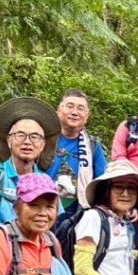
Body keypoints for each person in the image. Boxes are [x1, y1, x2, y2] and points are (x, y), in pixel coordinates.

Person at [0, 97, 61, 229]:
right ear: (9, 140)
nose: (27, 141)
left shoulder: (46, 183)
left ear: (42, 145)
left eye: (34, 136)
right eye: (20, 135)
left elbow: (55, 223)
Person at [45, 89, 107, 221]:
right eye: (70, 106)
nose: (74, 112)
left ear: (86, 116)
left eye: (80, 108)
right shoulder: (43, 138)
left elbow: (103, 182)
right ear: (59, 110)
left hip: (77, 213)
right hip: (43, 205)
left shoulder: (92, 145)